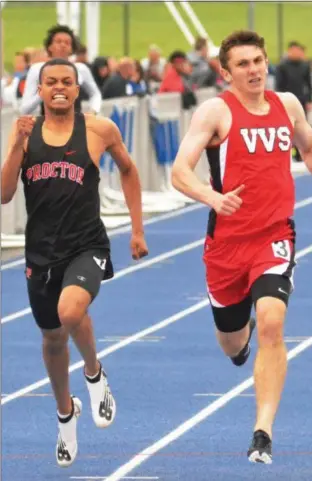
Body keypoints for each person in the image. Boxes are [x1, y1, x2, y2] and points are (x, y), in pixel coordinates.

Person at [171, 30, 312, 464]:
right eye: (243, 64)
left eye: (258, 61)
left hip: (274, 235)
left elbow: (311, 148)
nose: (254, 70)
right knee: (232, 342)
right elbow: (180, 172)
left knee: (273, 324)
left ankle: (263, 430)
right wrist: (212, 196)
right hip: (226, 247)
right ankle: (241, 344)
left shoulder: (287, 105)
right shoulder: (215, 112)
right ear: (226, 72)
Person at [1, 58, 148, 467]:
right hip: (41, 252)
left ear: (78, 87)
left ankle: (95, 374)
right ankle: (66, 415)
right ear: (41, 89)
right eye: (52, 82)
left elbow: (130, 170)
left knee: (71, 309)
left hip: (87, 244)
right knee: (51, 339)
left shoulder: (98, 129)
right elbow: (4, 194)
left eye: (67, 81)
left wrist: (137, 230)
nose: (60, 88)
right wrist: (15, 146)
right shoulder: (25, 132)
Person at [20, 24, 101, 115]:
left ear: (72, 49)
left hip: (76, 125)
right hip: (46, 125)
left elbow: (95, 94)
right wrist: (42, 94)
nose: (63, 45)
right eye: (58, 42)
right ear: (49, 47)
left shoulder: (81, 69)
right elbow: (24, 109)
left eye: (67, 43)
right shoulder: (37, 69)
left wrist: (93, 111)